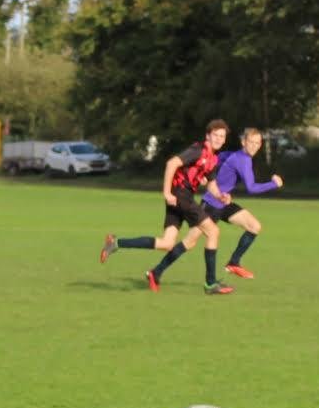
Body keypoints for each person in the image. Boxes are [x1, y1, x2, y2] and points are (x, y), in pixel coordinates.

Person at [99, 119, 235, 294]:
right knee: (213, 232)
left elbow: (211, 184)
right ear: (207, 136)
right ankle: (210, 283)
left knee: (167, 243)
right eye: (215, 135)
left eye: (221, 136)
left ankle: (116, 243)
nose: (218, 138)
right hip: (180, 195)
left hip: (181, 196)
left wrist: (221, 196)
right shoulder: (198, 150)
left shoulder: (213, 159)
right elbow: (172, 163)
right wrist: (166, 192)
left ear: (224, 140)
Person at [201, 127, 284, 278]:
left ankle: (234, 262)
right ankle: (158, 271)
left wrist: (206, 174)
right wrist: (273, 184)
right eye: (251, 142)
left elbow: (217, 159)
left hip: (224, 203)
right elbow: (251, 188)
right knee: (190, 241)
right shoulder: (243, 160)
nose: (254, 146)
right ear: (243, 142)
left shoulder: (236, 155)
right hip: (211, 204)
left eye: (257, 143)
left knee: (254, 226)